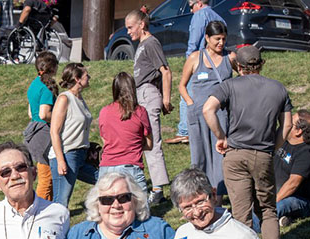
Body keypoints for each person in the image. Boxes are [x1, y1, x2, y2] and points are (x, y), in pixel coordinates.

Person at [202, 45, 294, 239]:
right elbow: (288, 125)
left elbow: (207, 109)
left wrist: (221, 136)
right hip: (263, 154)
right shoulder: (278, 89)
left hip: (235, 154)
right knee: (268, 208)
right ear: (261, 64)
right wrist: (273, 147)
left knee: (241, 211)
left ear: (238, 67)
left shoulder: (229, 86)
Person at [179, 20, 234, 196]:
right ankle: (200, 194)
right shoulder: (196, 57)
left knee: (221, 155)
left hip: (221, 115)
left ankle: (218, 195)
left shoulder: (230, 57)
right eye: (217, 39)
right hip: (198, 116)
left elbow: (243, 77)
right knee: (199, 156)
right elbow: (182, 85)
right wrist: (190, 103)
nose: (221, 43)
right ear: (207, 38)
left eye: (224, 39)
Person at [125, 8, 172, 205]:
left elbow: (166, 71)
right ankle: (146, 185)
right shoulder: (143, 45)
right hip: (140, 94)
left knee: (152, 141)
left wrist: (166, 99)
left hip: (149, 94)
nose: (128, 32)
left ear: (141, 24)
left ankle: (158, 189)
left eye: (130, 27)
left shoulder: (151, 43)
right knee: (143, 141)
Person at [170, 0, 225, 145]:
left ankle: (184, 131)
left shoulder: (200, 15)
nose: (191, 10)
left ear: (199, 3)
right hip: (216, 61)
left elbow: (194, 41)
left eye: (191, 6)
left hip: (200, 60)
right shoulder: (219, 17)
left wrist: (189, 59)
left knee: (187, 94)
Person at [49, 62, 98, 207]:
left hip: (81, 155)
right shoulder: (64, 99)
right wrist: (60, 160)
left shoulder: (80, 98)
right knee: (61, 202)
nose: (89, 77)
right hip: (67, 155)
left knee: (104, 179)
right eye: (86, 75)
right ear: (77, 79)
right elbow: (54, 132)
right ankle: (56, 228)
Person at [98, 72, 153, 195]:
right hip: (131, 167)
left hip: (106, 168)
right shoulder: (140, 112)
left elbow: (104, 140)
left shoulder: (104, 111)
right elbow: (149, 144)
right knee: (140, 211)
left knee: (107, 212)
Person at [274, 109, 310, 227]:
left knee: (279, 207)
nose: (286, 124)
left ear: (298, 131)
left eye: (290, 122)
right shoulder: (283, 140)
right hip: (275, 192)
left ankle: (251, 226)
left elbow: (293, 184)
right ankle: (284, 219)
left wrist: (271, 202)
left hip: (298, 199)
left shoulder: (307, 153)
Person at [23, 51, 59, 201]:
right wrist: (61, 117)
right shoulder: (47, 87)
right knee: (46, 176)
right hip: (43, 133)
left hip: (33, 130)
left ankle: (47, 205)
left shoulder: (34, 84)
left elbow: (31, 113)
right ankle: (40, 210)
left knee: (43, 174)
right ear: (54, 68)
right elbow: (44, 114)